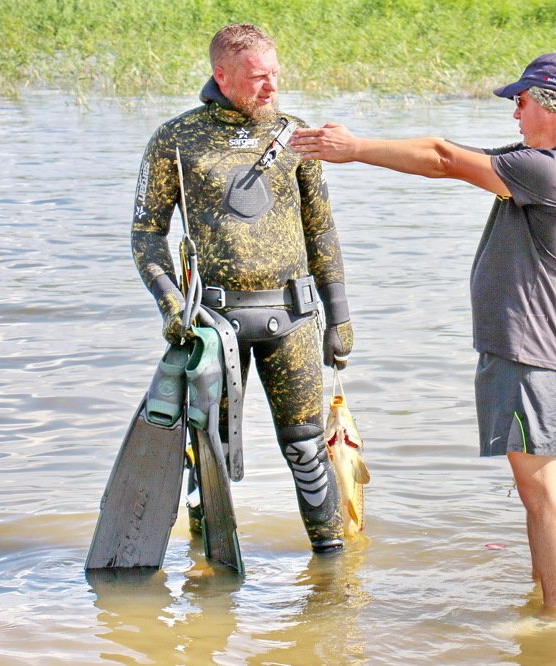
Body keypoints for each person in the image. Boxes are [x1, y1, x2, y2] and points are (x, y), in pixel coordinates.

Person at [290, 52, 556, 611]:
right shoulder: (543, 161)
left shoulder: (549, 170)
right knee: (531, 489)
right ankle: (541, 601)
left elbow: (441, 158)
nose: (515, 113)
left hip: (531, 353)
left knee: (542, 490)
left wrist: (355, 148)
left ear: (552, 106)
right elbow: (452, 154)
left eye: (521, 101)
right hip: (520, 350)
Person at [131, 23, 354, 554]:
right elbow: (146, 233)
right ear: (222, 76)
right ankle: (208, 567)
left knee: (307, 449)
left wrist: (339, 315)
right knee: (206, 452)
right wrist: (171, 305)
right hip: (213, 325)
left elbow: (321, 230)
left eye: (275, 73)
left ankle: (332, 571)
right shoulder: (176, 139)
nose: (272, 86)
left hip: (292, 318)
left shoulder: (297, 135)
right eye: (258, 77)